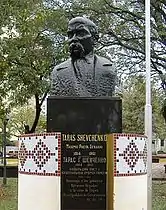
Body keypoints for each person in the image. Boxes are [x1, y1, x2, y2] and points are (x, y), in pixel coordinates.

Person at [50, 16, 117, 97]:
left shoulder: (109, 69)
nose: (73, 39)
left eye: (81, 33)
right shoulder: (58, 72)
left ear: (94, 39)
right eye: (70, 35)